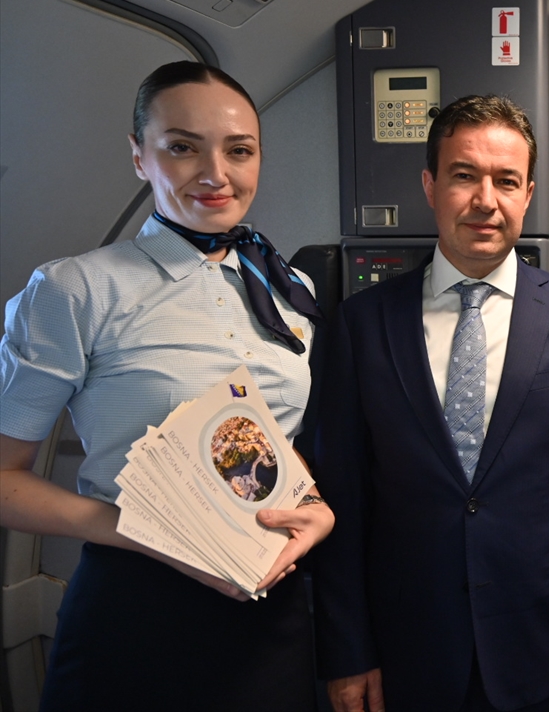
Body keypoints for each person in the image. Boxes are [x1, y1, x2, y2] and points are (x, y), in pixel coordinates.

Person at [0, 61, 335, 711]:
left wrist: (315, 505)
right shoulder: (76, 289)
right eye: (182, 147)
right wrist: (146, 533)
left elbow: (268, 439)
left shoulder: (290, 289)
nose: (215, 173)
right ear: (138, 156)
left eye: (239, 150)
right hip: (136, 604)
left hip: (271, 606)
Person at [312, 95, 549, 712]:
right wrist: (347, 650)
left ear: (528, 194)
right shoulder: (362, 324)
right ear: (430, 186)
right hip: (407, 646)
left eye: (506, 181)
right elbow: (342, 500)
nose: (486, 200)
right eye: (464, 175)